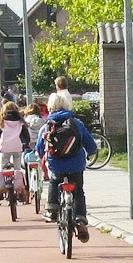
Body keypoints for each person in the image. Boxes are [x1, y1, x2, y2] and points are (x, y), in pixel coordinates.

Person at [36, 92, 97, 241]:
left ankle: (52, 208)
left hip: (56, 163)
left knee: (55, 180)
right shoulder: (77, 123)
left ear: (50, 107)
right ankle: (81, 219)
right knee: (78, 191)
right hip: (76, 163)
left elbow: (39, 146)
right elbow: (91, 145)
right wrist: (90, 152)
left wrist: (42, 155)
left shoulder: (48, 125)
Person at [0, 101, 30, 201]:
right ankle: (20, 189)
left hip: (4, 149)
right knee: (18, 168)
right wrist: (25, 144)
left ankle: (0, 188)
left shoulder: (1, 122)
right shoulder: (20, 122)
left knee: (1, 167)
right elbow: (26, 137)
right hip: (18, 148)